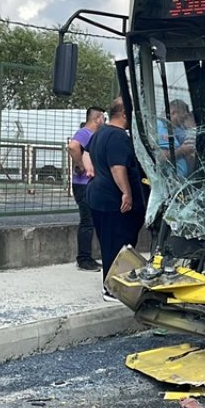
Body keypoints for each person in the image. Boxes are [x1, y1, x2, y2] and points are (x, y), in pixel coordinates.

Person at [88, 97, 147, 299]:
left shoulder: (100, 133)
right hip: (114, 200)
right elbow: (117, 167)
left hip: (98, 196)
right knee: (120, 244)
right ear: (124, 114)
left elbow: (88, 155)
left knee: (109, 243)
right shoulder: (118, 136)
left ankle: (112, 284)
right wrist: (127, 193)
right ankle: (113, 288)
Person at [68, 107, 105, 271]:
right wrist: (80, 165)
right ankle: (83, 259)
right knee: (87, 221)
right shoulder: (85, 133)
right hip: (83, 184)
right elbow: (73, 146)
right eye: (103, 117)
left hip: (90, 184)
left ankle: (87, 257)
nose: (104, 121)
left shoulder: (94, 135)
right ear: (97, 118)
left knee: (91, 221)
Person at [157, 99, 196, 175]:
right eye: (182, 118)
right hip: (169, 180)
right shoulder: (161, 126)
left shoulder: (175, 130)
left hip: (179, 180)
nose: (183, 122)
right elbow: (161, 157)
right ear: (173, 112)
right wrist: (183, 151)